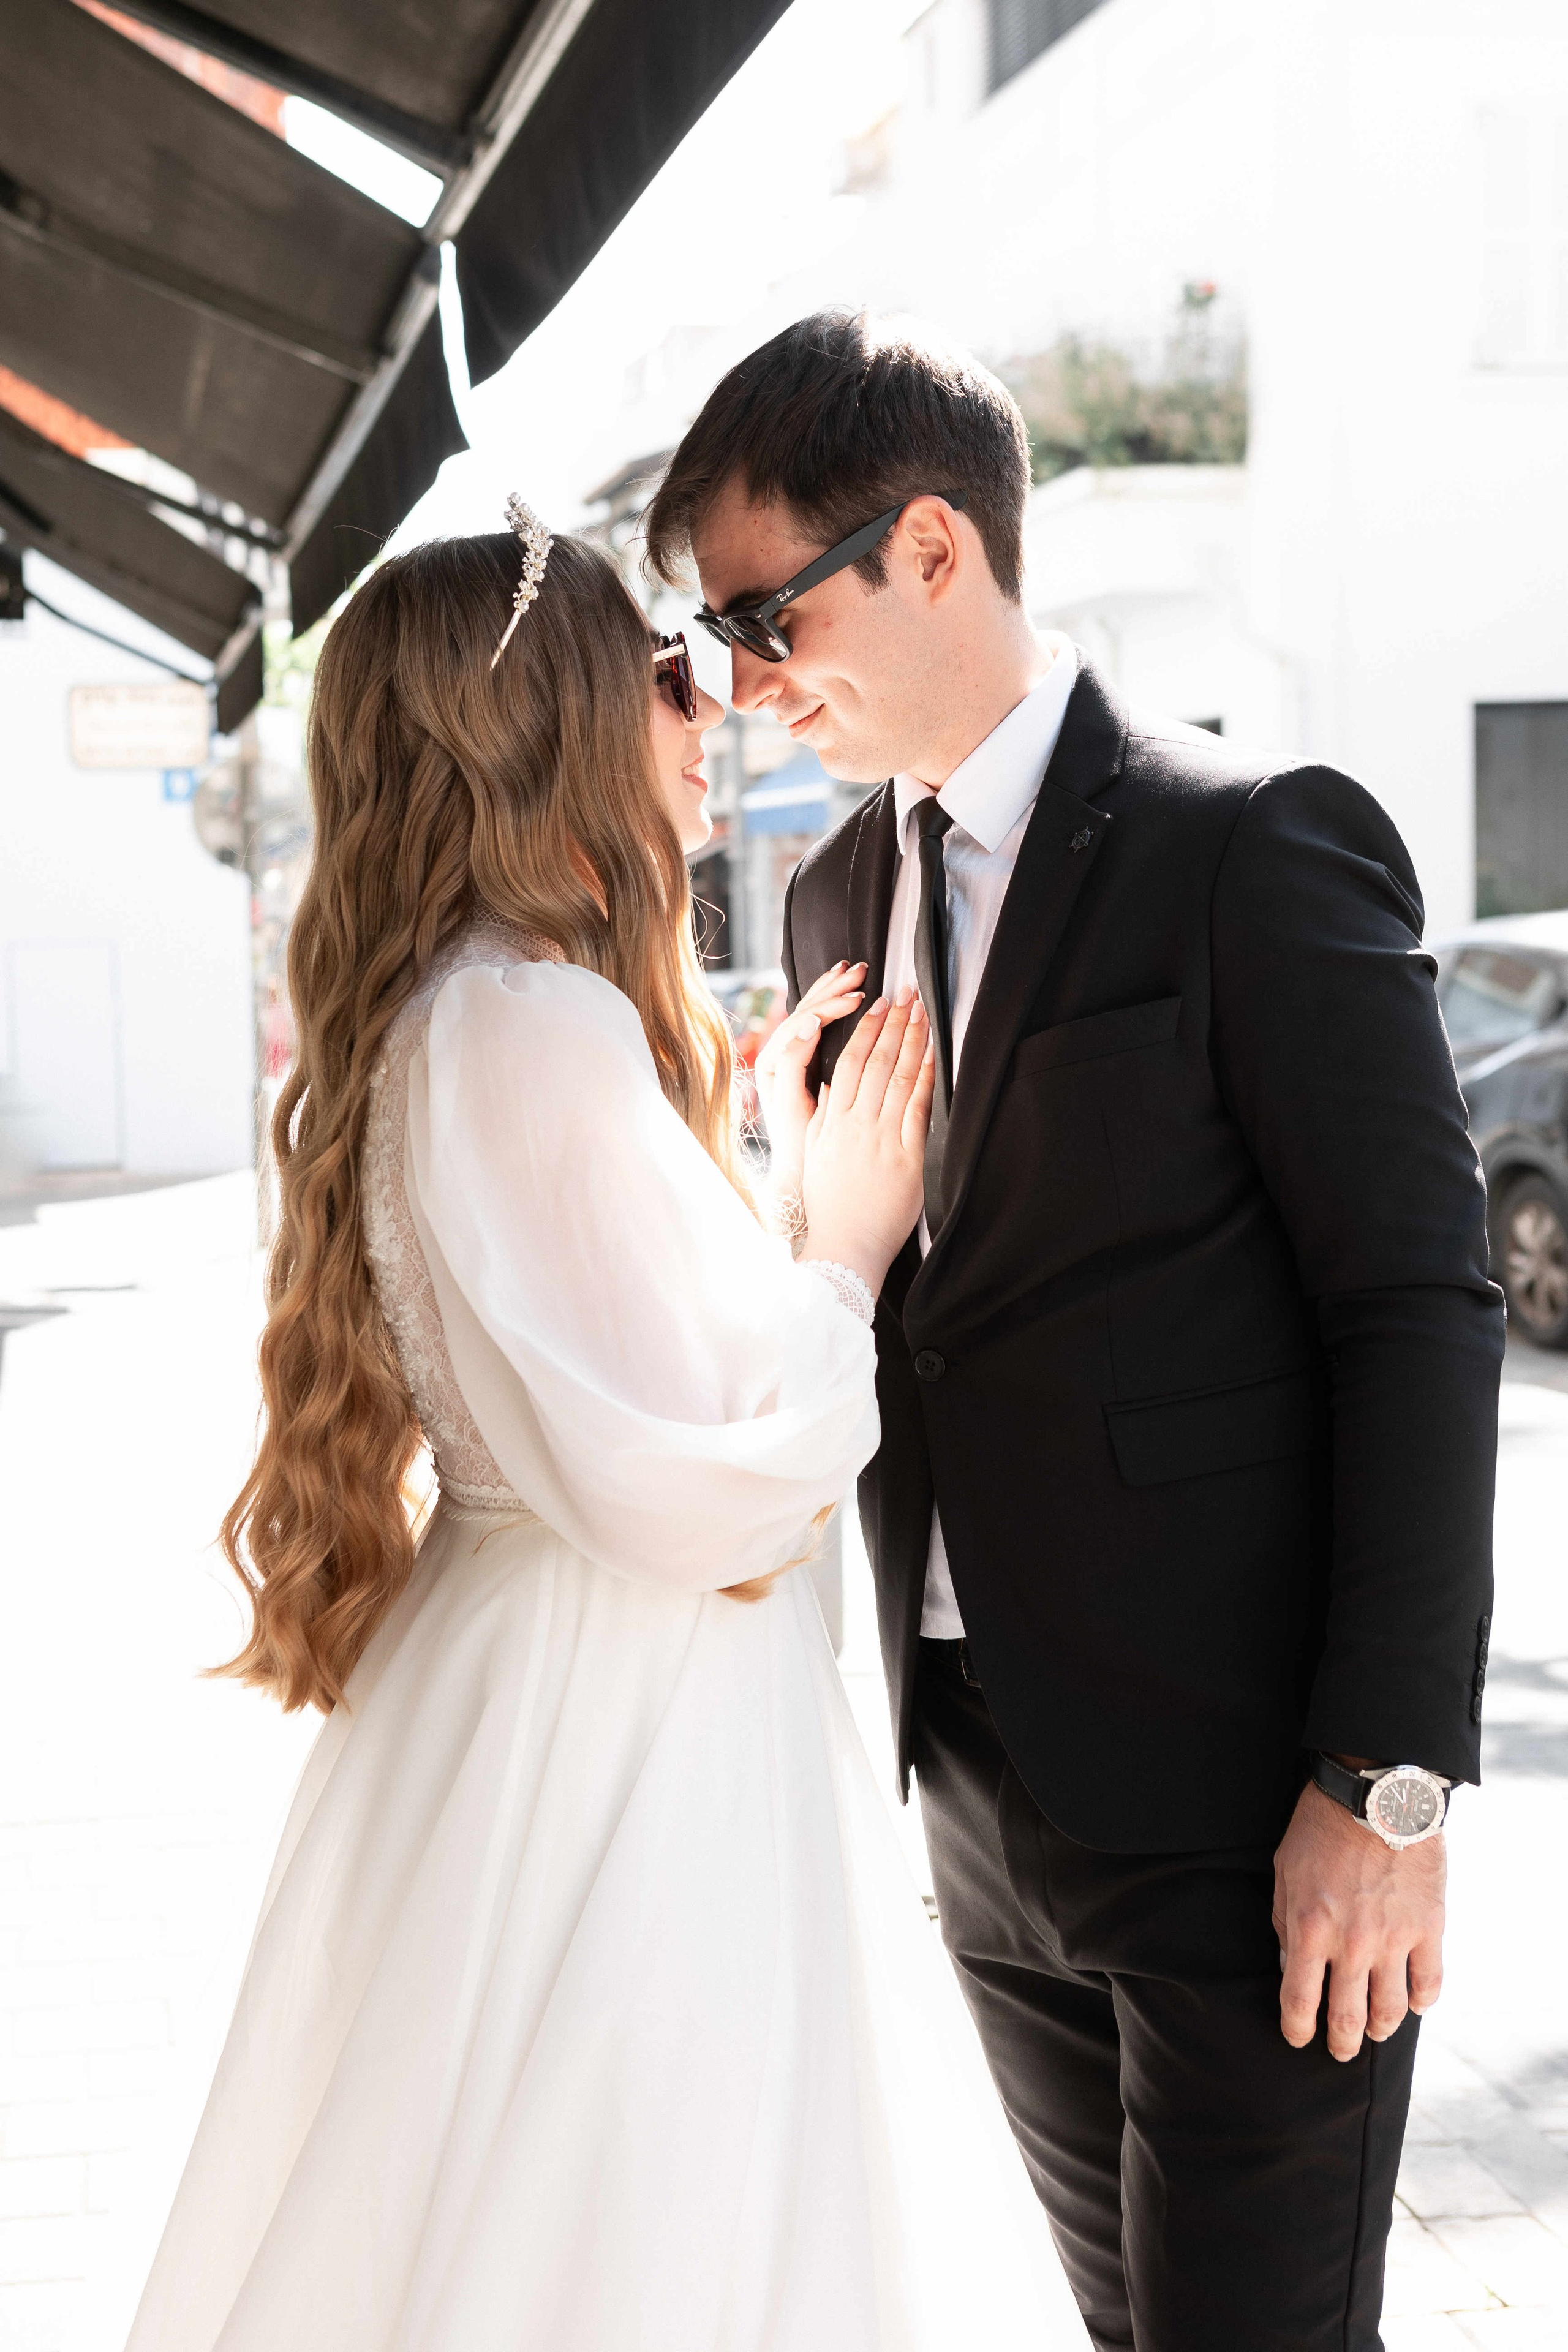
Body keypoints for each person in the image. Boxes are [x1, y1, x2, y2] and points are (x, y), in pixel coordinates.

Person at [124, 509, 1090, 2351]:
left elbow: (634, 1394)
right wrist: (851, 1243)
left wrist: (781, 1203)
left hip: (541, 1696)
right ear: (544, 728)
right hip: (624, 1726)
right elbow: (716, 1488)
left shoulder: (464, 1015)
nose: (709, 706)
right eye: (661, 676)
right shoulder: (528, 1023)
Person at [645, 309, 1505, 2352]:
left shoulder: (1252, 840)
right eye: (718, 645)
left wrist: (1388, 1787)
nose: (751, 685)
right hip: (980, 1795)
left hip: (1246, 1815)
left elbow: (1418, 1308)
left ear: (933, 550)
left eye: (770, 617)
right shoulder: (832, 902)